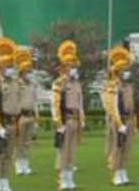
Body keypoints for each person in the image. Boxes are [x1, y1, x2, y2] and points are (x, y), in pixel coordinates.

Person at [0, 37, 22, 191]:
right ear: (0, 67)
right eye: (8, 66)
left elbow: (18, 104)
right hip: (1, 123)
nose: (10, 69)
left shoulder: (15, 83)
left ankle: (5, 181)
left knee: (8, 154)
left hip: (13, 123)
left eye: (12, 66)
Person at [51, 40, 84, 190]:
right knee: (63, 151)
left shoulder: (77, 83)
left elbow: (80, 103)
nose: (73, 69)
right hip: (65, 120)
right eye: (71, 66)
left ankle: (70, 179)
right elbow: (55, 104)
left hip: (75, 120)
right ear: (64, 67)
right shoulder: (59, 83)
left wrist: (82, 119)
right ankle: (62, 179)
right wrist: (58, 123)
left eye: (74, 66)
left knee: (72, 151)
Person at [102, 46, 135, 186]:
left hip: (128, 120)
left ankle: (123, 172)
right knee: (117, 146)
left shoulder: (129, 86)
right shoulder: (112, 86)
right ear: (118, 71)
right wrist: (119, 123)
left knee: (127, 147)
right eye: (124, 70)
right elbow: (112, 107)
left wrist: (132, 121)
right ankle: (116, 174)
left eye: (127, 70)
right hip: (118, 120)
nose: (127, 73)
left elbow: (132, 106)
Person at [13, 47, 38, 176]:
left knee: (27, 142)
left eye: (30, 71)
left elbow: (35, 101)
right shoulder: (17, 84)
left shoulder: (32, 85)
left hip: (30, 115)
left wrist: (36, 117)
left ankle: (25, 164)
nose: (29, 73)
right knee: (19, 141)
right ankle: (18, 165)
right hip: (20, 116)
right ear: (22, 71)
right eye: (27, 71)